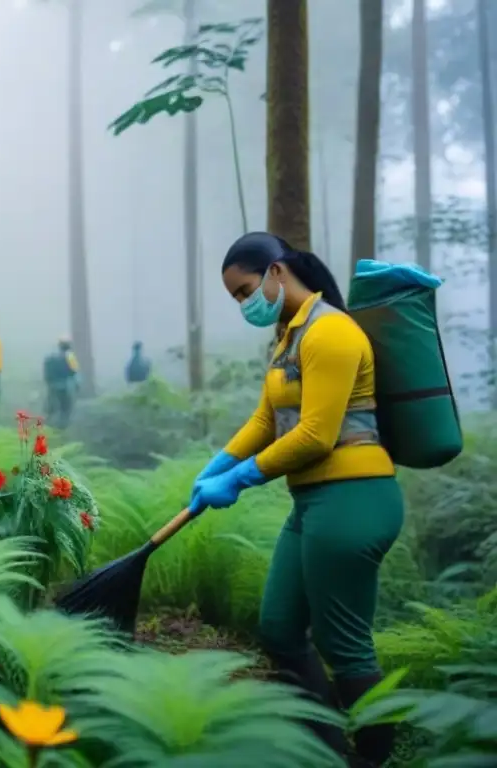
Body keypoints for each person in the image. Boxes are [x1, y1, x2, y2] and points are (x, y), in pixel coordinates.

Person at [188, 232, 403, 767]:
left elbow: (314, 435)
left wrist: (238, 479)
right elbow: (267, 419)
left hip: (353, 500)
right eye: (236, 298)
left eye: (244, 291)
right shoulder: (290, 336)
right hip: (314, 503)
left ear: (276, 272)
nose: (244, 304)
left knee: (344, 643)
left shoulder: (331, 332)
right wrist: (218, 463)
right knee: (281, 628)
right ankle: (329, 750)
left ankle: (377, 758)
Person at [43, 336, 78, 429]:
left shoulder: (51, 356)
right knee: (65, 409)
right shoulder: (70, 356)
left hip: (52, 386)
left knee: (51, 408)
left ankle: (48, 427)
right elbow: (75, 373)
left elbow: (46, 373)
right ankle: (62, 428)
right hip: (64, 386)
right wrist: (77, 387)